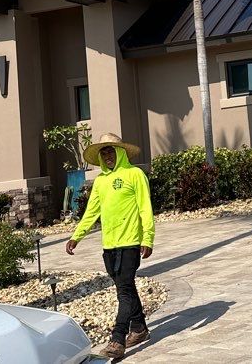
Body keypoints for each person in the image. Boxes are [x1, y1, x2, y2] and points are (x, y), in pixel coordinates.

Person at [65, 132, 155, 360]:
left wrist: (147, 238)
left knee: (124, 290)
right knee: (125, 287)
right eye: (103, 152)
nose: (107, 156)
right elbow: (91, 212)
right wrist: (76, 236)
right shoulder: (100, 181)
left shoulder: (135, 174)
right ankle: (139, 327)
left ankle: (117, 339)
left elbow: (145, 208)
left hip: (131, 242)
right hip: (109, 246)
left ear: (121, 152)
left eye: (111, 151)